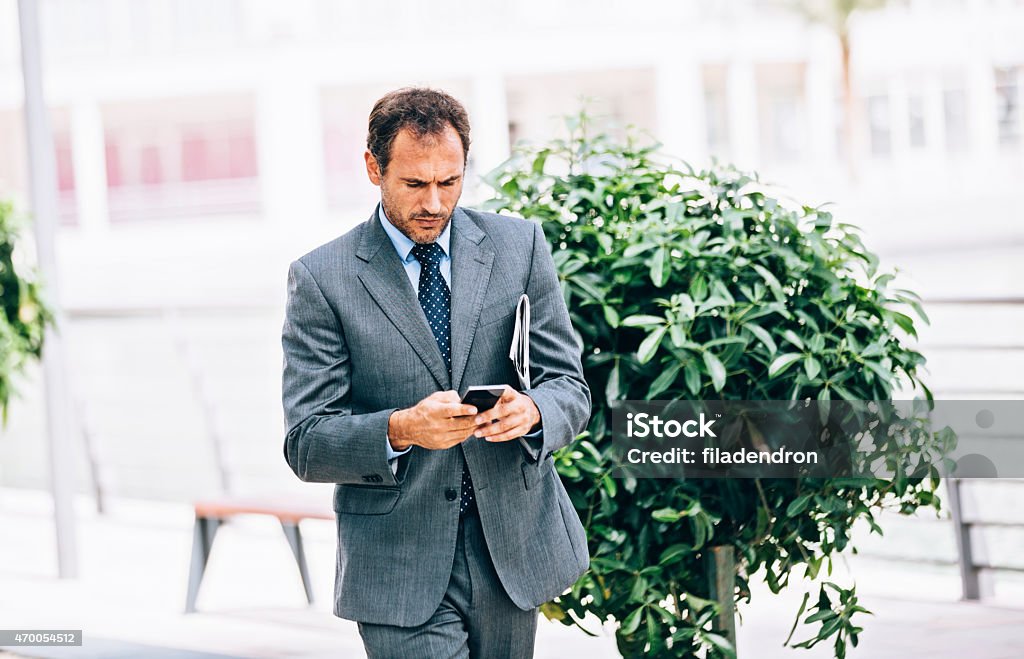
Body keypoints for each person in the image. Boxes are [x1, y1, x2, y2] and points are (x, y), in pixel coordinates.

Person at [281, 87, 591, 658]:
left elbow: (569, 385)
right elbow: (306, 443)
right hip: (397, 561)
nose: (434, 202)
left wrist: (535, 411)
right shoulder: (322, 280)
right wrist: (401, 429)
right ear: (374, 168)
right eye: (415, 184)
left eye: (449, 182)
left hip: (510, 550)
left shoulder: (518, 245)